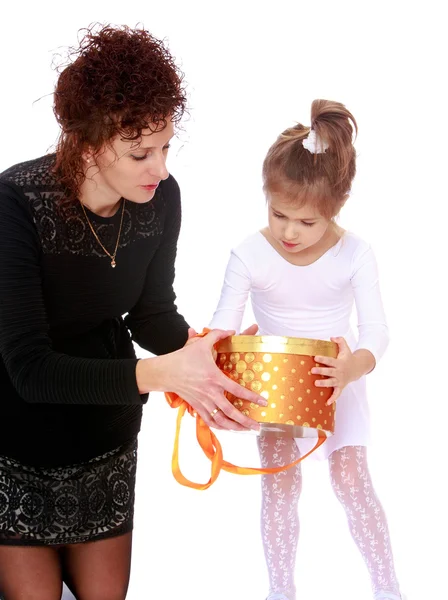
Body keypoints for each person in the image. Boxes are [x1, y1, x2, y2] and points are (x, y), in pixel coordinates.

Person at [0, 24, 266, 600]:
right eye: (141, 152)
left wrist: (211, 360)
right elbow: (29, 368)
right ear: (88, 145)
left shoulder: (159, 200)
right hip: (12, 442)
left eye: (166, 147)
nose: (161, 168)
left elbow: (150, 315)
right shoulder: (14, 203)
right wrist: (163, 374)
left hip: (105, 436)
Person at [209, 100, 403, 600]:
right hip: (273, 386)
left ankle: (388, 589)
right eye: (279, 215)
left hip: (337, 377)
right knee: (278, 488)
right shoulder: (248, 254)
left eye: (306, 223)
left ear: (334, 209)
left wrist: (352, 368)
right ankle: (281, 592)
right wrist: (220, 353)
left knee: (352, 483)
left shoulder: (355, 254)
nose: (289, 232)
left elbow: (377, 329)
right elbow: (220, 330)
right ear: (265, 198)